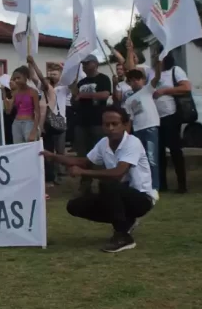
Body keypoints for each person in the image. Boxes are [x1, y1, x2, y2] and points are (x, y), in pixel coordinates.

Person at [42, 106, 156, 253]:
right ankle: (126, 221)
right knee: (74, 206)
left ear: (126, 125)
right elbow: (84, 161)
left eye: (115, 124)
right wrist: (53, 157)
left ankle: (123, 237)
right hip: (120, 196)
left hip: (142, 199)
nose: (110, 128)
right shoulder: (104, 143)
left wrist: (82, 172)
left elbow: (118, 173)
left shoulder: (132, 143)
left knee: (109, 185)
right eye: (106, 124)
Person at [73, 54, 112, 193]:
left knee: (101, 153)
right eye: (83, 64)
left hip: (97, 122)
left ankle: (104, 183)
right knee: (83, 154)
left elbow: (106, 94)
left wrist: (85, 96)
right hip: (82, 122)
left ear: (95, 64)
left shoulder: (103, 79)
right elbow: (75, 98)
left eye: (87, 63)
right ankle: (85, 183)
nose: (84, 66)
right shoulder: (81, 82)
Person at [153, 51, 190, 193]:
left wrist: (165, 91)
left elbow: (186, 87)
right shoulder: (152, 73)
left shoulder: (175, 71)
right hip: (156, 117)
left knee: (175, 150)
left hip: (171, 115)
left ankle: (182, 184)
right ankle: (162, 184)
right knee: (159, 152)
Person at [123, 64, 162, 192]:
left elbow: (157, 78)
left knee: (152, 158)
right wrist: (126, 136)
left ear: (143, 80)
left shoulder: (147, 90)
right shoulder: (129, 101)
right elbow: (130, 119)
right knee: (141, 159)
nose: (135, 82)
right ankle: (144, 185)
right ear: (129, 83)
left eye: (137, 79)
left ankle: (154, 186)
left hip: (150, 127)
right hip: (138, 129)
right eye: (132, 80)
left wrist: (159, 65)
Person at [28, 57, 66, 184]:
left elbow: (39, 78)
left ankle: (55, 176)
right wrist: (30, 65)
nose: (43, 83)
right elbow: (33, 77)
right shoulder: (41, 93)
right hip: (42, 126)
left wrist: (34, 62)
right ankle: (49, 177)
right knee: (47, 152)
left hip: (51, 125)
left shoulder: (50, 91)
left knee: (55, 151)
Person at [4, 66, 41, 144]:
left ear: (25, 77)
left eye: (18, 78)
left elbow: (37, 112)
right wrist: (5, 97)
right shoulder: (15, 92)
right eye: (14, 79)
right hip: (16, 123)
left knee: (30, 147)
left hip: (29, 123)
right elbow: (8, 111)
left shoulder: (33, 92)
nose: (16, 80)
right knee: (19, 148)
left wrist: (34, 131)